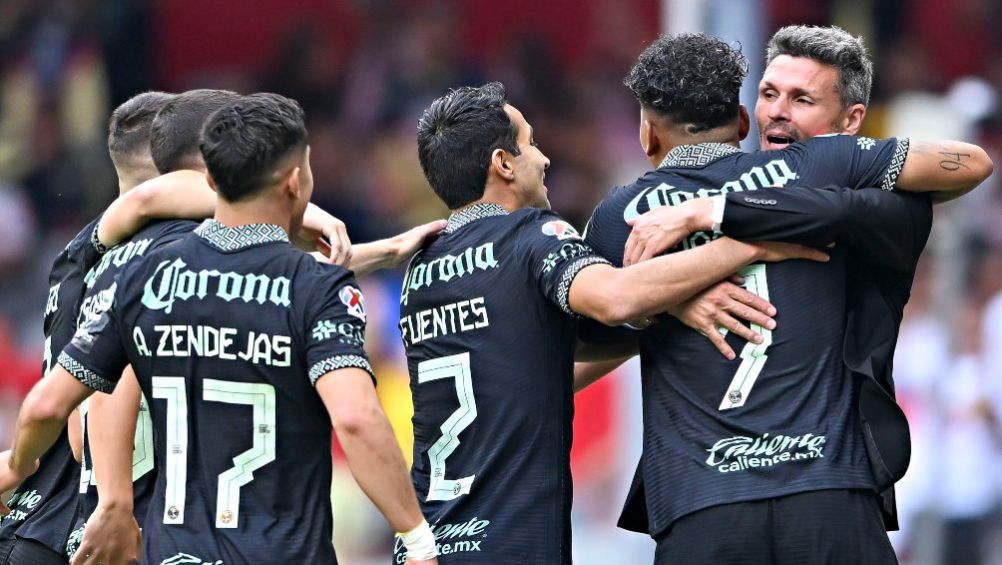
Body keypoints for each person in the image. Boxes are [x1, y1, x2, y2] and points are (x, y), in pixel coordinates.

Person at [579, 33, 991, 564]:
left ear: (646, 132)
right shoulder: (825, 168)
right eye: (770, 93)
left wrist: (659, 285)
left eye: (801, 99)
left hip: (703, 507)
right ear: (746, 118)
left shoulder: (625, 215)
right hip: (828, 494)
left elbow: (580, 336)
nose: (779, 112)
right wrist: (671, 298)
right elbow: (967, 166)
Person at [397, 82, 827, 565]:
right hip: (508, 544)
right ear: (503, 164)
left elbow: (536, 375)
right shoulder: (534, 234)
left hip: (429, 544)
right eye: (531, 143)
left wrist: (663, 312)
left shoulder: (422, 272)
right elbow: (617, 298)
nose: (544, 159)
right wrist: (751, 243)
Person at [0, 93, 440, 565]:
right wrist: (115, 498)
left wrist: (16, 463)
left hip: (50, 521)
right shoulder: (172, 251)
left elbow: (62, 409)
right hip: (119, 534)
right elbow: (100, 407)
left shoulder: (91, 256)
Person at [0, 91, 175, 565]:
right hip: (86, 529)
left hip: (31, 519)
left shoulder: (75, 252)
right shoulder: (157, 264)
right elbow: (85, 424)